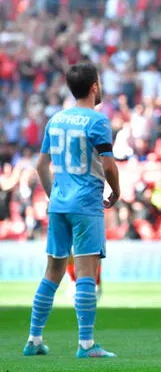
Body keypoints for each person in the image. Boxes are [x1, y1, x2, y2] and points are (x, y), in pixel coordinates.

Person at [23, 62, 120, 358]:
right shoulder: (97, 120)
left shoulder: (56, 120)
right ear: (94, 86)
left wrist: (56, 196)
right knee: (86, 272)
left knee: (52, 272)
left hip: (59, 205)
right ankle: (87, 344)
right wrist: (117, 191)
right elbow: (107, 164)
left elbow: (40, 165)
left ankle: (34, 339)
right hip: (86, 203)